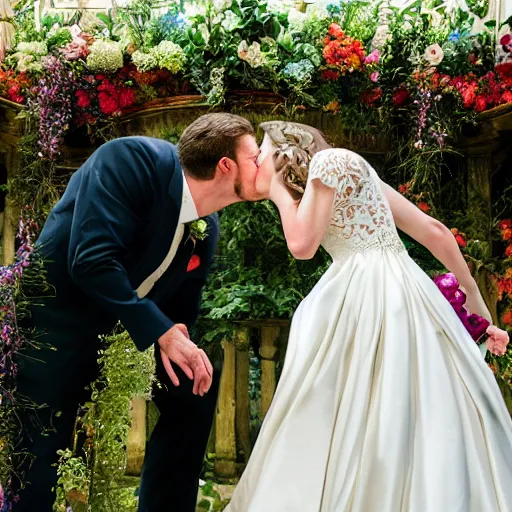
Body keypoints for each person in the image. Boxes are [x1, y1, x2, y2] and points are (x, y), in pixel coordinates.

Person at [226, 121, 512, 511]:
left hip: (371, 292)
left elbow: (302, 245)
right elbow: (433, 231)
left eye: (260, 152)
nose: (257, 161)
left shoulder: (330, 161)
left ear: (283, 149)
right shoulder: (343, 171)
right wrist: (478, 309)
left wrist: (277, 189)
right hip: (398, 287)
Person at [14, 113, 267, 512]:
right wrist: (162, 332)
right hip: (57, 324)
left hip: (130, 332)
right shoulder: (130, 160)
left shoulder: (208, 227)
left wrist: (179, 340)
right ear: (225, 165)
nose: (264, 163)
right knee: (42, 449)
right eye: (256, 156)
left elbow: (182, 307)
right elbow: (91, 260)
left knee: (193, 387)